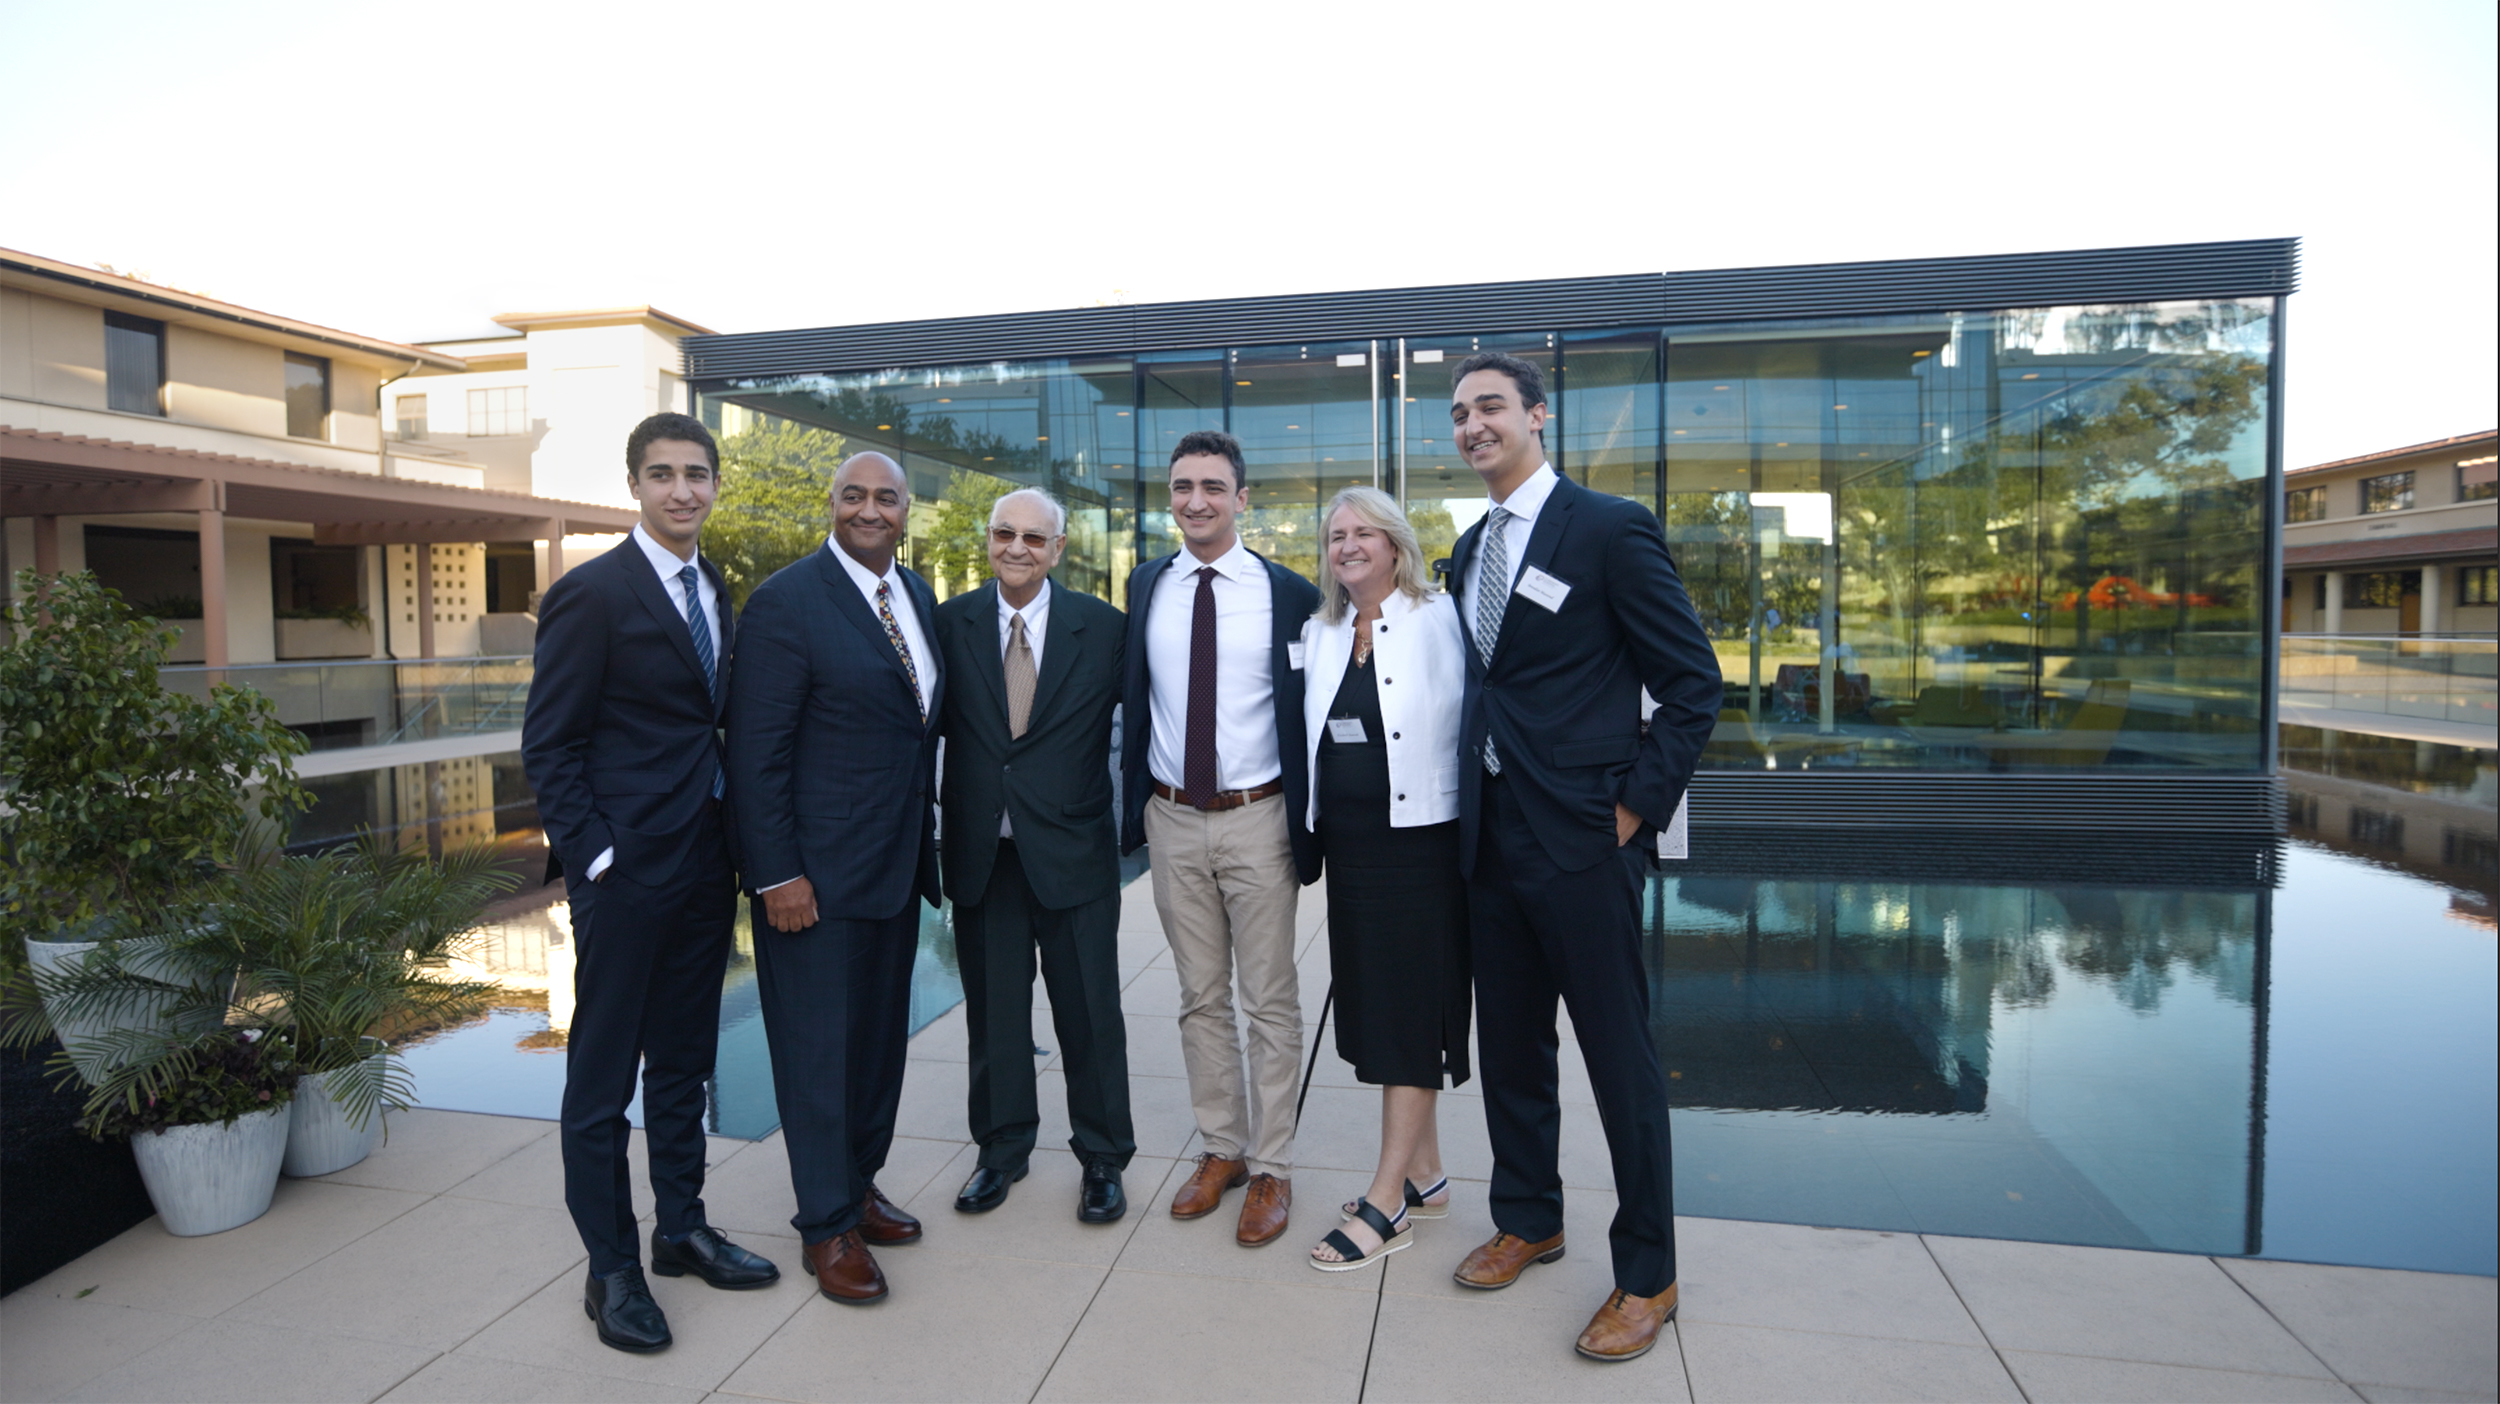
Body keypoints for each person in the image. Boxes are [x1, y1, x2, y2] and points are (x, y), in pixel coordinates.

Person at [1442, 353, 1720, 1362]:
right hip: (1491, 840)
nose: (1473, 425)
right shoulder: (1468, 549)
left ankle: (1648, 1276)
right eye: (1460, 413)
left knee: (1620, 1067)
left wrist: (1634, 810)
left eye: (1490, 408)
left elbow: (1693, 684)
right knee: (1512, 1052)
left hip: (1584, 843)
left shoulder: (1607, 530)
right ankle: (1529, 1216)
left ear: (1536, 416)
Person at [522, 412, 779, 1356]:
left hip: (706, 861)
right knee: (601, 1081)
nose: (682, 489)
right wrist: (596, 856)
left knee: (683, 1062)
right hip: (626, 874)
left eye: (697, 474)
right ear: (635, 484)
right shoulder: (592, 593)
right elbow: (549, 742)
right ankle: (611, 1269)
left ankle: (681, 1229)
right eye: (663, 474)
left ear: (715, 485)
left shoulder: (713, 584)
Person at [727, 451, 943, 1306]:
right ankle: (824, 1225)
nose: (870, 509)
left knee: (876, 1049)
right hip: (810, 882)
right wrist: (776, 873)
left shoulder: (914, 596)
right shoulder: (786, 602)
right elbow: (755, 754)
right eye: (854, 495)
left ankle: (857, 1184)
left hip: (893, 870)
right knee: (818, 1055)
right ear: (831, 503)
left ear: (904, 511)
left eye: (886, 497)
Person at [1119, 429, 1322, 1248]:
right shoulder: (1147, 585)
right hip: (1170, 818)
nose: (1194, 500)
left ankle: (1272, 1165)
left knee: (1268, 999)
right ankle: (1221, 1150)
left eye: (1211, 486)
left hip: (1258, 817)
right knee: (1199, 996)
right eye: (1180, 487)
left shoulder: (1291, 594)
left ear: (1243, 499)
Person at [933, 487, 1135, 1223]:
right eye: (1003, 533)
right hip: (985, 854)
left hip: (1073, 850)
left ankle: (1104, 1158)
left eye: (1033, 537)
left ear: (1058, 548)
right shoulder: (948, 623)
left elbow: (1146, 722)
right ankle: (1001, 1150)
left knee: (1089, 1013)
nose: (1016, 547)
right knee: (994, 1018)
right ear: (988, 539)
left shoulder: (1104, 628)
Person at [1294, 486, 1472, 1274]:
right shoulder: (1323, 629)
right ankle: (1428, 1176)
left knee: (1408, 1017)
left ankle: (1387, 1197)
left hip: (1422, 851)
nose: (1349, 546)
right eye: (1337, 536)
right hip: (1354, 852)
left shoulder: (1441, 619)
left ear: (1397, 544)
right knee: (1378, 1011)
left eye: (1365, 532)